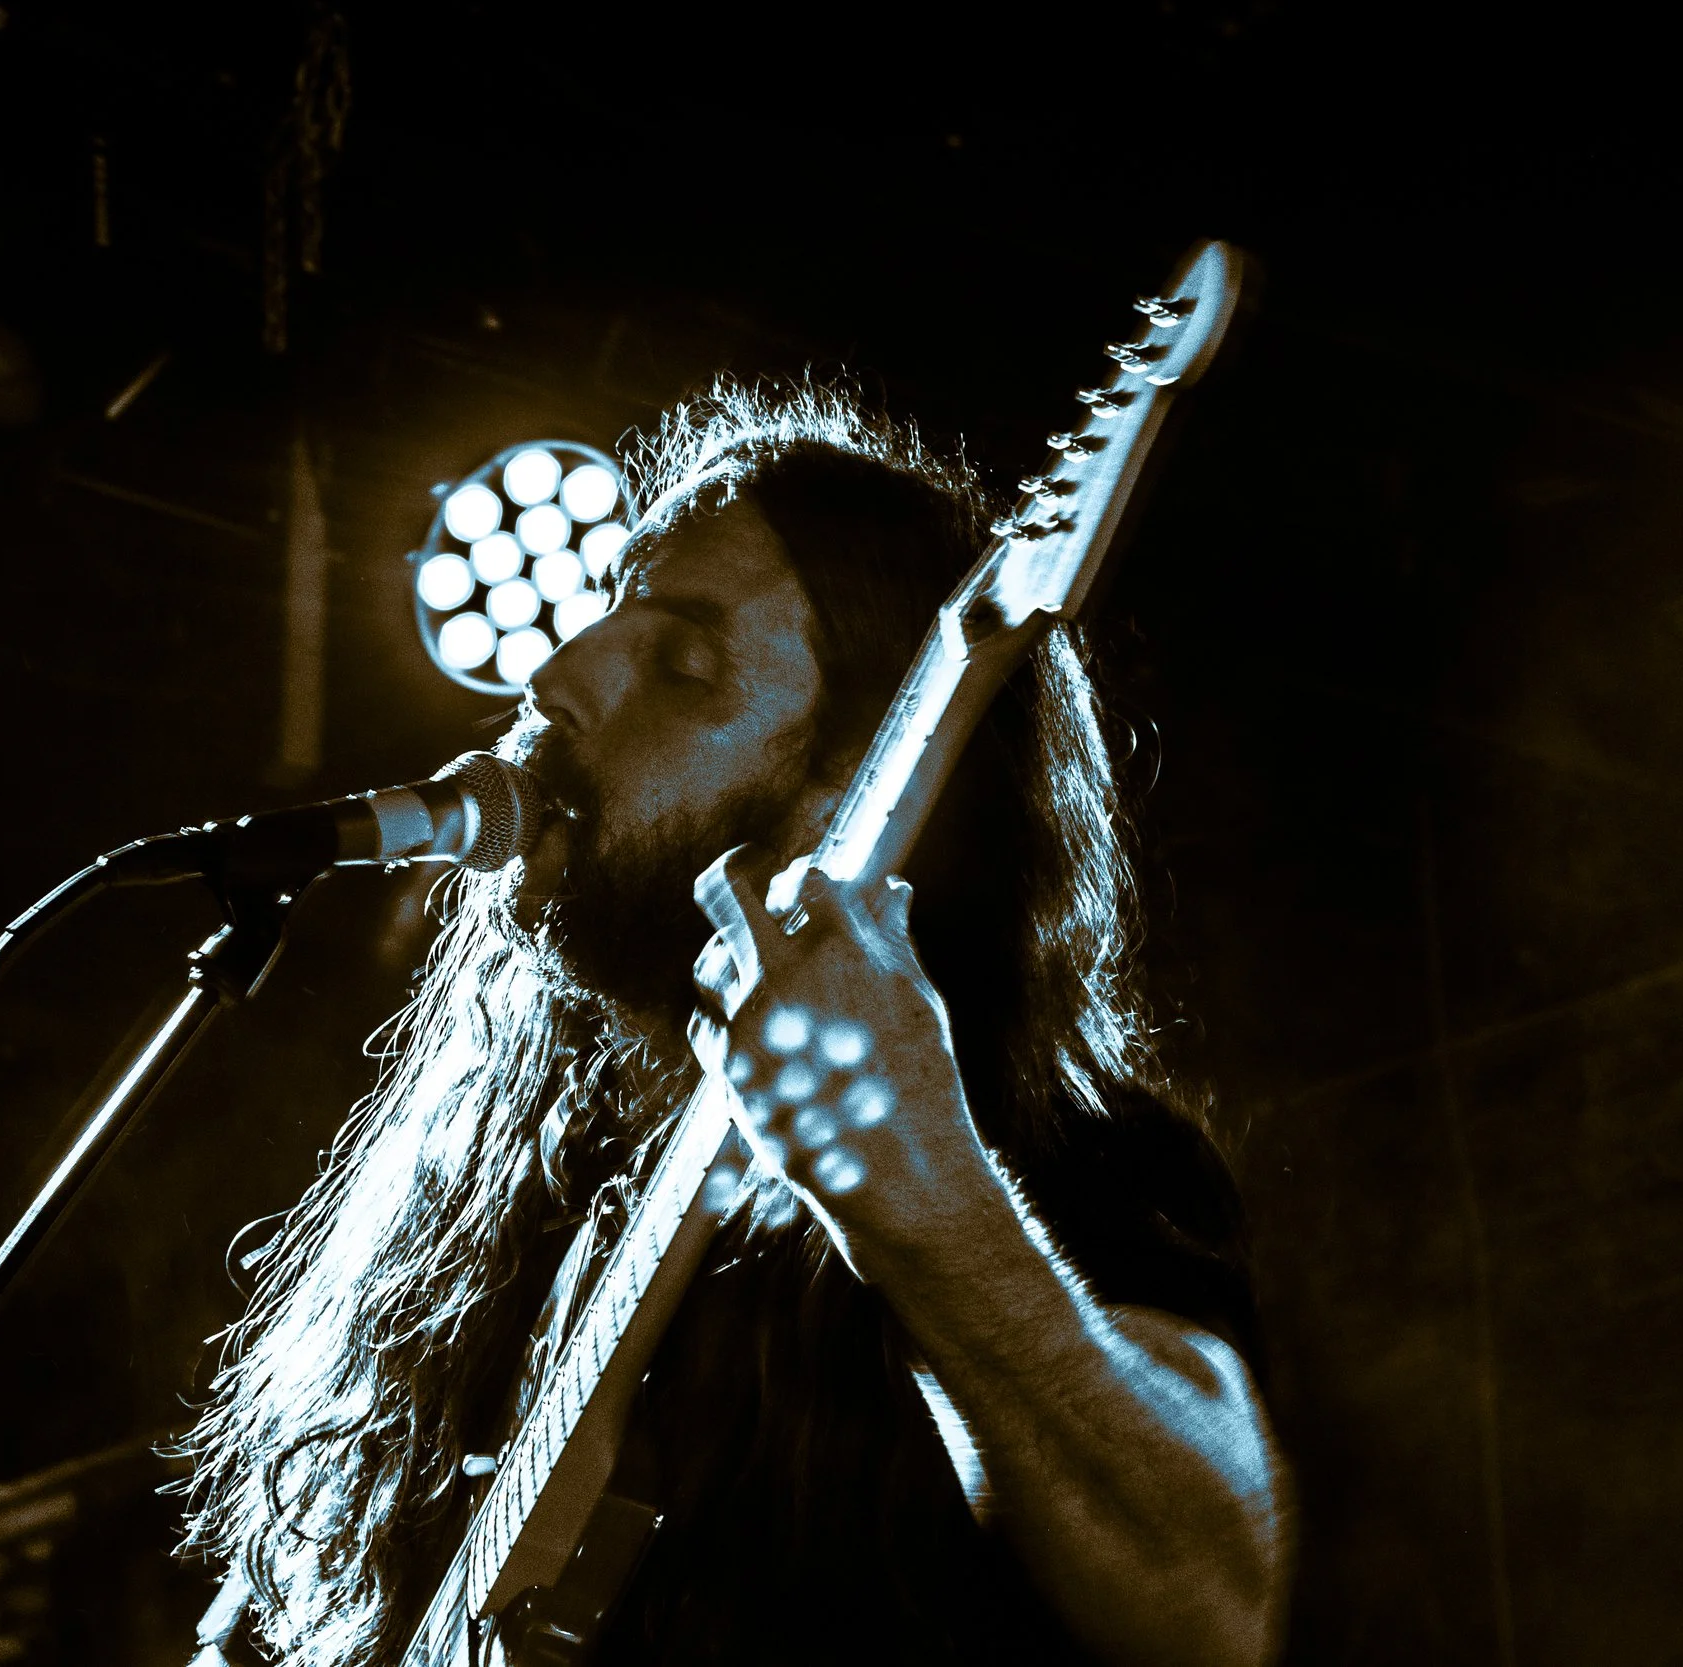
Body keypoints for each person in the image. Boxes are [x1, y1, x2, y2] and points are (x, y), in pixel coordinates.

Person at [180, 380, 1289, 1667]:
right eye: (609, 614)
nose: (556, 674)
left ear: (843, 803)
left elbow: (1214, 1603)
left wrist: (923, 1199)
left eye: (683, 663)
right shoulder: (511, 1192)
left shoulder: (1053, 1159)